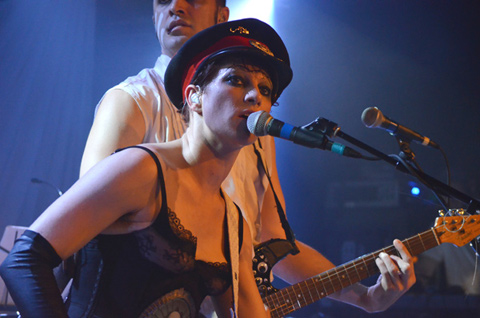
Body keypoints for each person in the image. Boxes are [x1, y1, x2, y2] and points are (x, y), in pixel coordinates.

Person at [80, 0, 416, 314]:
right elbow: (89, 225)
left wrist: (365, 298)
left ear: (222, 17)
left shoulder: (253, 128)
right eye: (163, 0)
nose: (177, 7)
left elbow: (272, 242)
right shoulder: (132, 100)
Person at [0, 18, 294, 317]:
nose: (255, 96)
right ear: (194, 97)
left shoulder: (234, 226)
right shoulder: (141, 169)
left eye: (265, 89)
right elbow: (25, 259)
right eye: (236, 80)